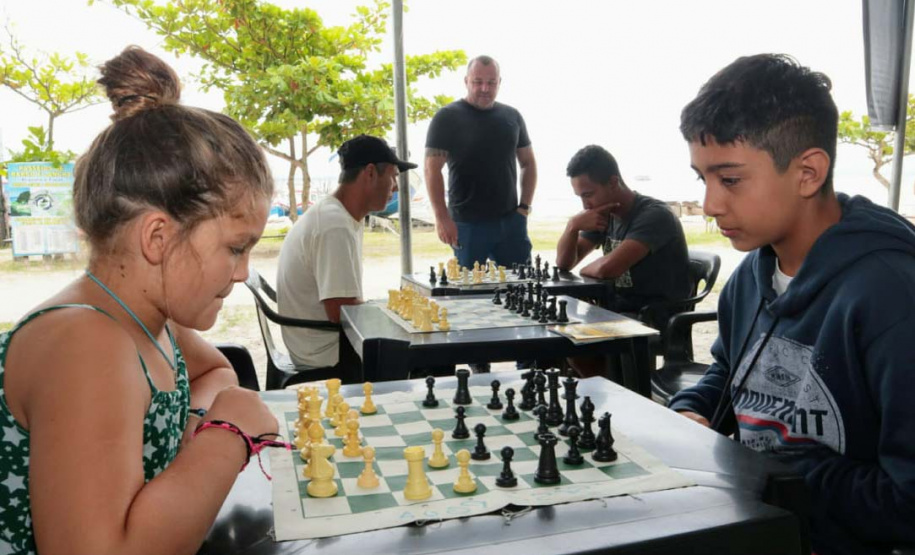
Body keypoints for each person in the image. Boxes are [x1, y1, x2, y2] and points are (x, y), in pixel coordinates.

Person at [0, 47, 279, 555]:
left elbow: (216, 373)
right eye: (236, 248)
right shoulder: (86, 343)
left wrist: (190, 434)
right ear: (157, 237)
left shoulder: (145, 321)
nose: (242, 273)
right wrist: (225, 433)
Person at [667, 54, 915, 555]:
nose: (711, 204)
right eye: (703, 180)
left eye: (730, 179)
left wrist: (790, 470)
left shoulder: (891, 295)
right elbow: (730, 371)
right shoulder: (750, 276)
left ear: (807, 172)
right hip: (760, 523)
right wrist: (693, 410)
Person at [277, 135, 416, 371]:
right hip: (328, 351)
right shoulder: (335, 225)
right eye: (393, 176)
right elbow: (342, 311)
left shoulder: (339, 214)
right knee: (428, 353)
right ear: (370, 173)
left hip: (322, 341)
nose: (395, 187)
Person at [425, 55, 537, 269]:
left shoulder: (512, 116)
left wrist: (524, 208)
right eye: (478, 82)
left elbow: (528, 163)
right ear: (466, 81)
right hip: (467, 225)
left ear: (499, 83)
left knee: (520, 289)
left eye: (491, 82)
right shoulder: (447, 117)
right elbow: (432, 170)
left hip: (510, 222)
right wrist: (442, 218)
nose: (485, 88)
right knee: (469, 291)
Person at [556, 145, 690, 315]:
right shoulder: (604, 215)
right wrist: (572, 226)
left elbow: (605, 269)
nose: (585, 205)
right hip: (617, 312)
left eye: (588, 195)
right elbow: (564, 263)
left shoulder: (655, 215)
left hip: (651, 317)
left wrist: (583, 273)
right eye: (580, 197)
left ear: (613, 182)